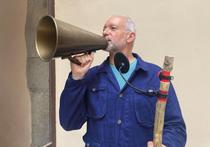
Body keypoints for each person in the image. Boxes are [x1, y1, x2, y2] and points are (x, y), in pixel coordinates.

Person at [59, 15, 187, 147]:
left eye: (113, 28)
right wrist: (76, 78)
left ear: (130, 36)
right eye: (104, 29)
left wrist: (167, 144)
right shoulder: (91, 76)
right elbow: (69, 123)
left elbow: (175, 126)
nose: (105, 32)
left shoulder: (155, 76)